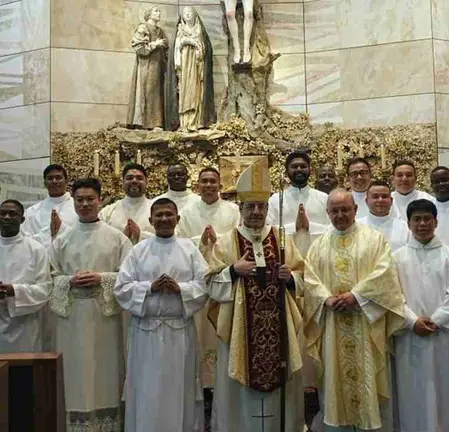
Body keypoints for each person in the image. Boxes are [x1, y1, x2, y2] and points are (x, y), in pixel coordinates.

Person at [205, 159, 307, 432]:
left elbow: (303, 277)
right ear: (241, 208)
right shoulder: (227, 242)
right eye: (250, 206)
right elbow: (210, 284)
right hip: (240, 331)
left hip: (278, 329)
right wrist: (233, 271)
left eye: (261, 207)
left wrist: (291, 279)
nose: (256, 212)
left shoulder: (282, 239)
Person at [305, 188, 405, 432]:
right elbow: (309, 279)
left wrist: (356, 296)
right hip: (332, 325)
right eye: (335, 211)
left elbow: (385, 274)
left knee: (368, 381)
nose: (340, 215)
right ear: (327, 213)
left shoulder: (374, 239)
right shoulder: (318, 246)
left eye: (345, 210)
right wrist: (327, 299)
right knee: (333, 383)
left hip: (365, 324)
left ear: (355, 210)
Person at [115, 198, 209, 432]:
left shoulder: (190, 250)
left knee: (180, 389)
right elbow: (121, 288)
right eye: (159, 215)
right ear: (151, 220)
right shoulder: (138, 251)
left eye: (169, 214)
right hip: (145, 335)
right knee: (147, 389)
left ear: (177, 219)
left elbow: (205, 285)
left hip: (180, 333)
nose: (164, 219)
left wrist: (181, 289)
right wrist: (150, 287)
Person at [49, 178, 134, 431]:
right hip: (72, 318)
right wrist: (69, 281)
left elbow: (129, 276)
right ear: (73, 201)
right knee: (74, 373)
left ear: (100, 200)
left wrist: (102, 278)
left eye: (90, 199)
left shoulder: (117, 239)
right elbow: (51, 276)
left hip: (104, 318)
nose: (85, 204)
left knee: (105, 373)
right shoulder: (63, 239)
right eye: (79, 200)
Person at [393, 199, 449, 432]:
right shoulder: (397, 258)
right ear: (408, 224)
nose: (423, 223)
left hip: (444, 338)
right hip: (410, 338)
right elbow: (393, 296)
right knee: (414, 395)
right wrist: (412, 321)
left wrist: (435, 321)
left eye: (427, 218)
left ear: (436, 222)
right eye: (417, 219)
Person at [176, 167, 240, 391]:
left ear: (220, 185)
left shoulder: (233, 210)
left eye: (213, 181)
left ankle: (224, 383)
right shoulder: (186, 212)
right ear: (197, 186)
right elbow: (180, 245)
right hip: (199, 281)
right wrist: (201, 242)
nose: (209, 185)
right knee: (200, 333)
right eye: (205, 181)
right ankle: (200, 385)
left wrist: (219, 241)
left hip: (225, 283)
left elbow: (239, 241)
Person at [0, 199, 51, 354]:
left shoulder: (36, 250)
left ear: (22, 219)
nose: (7, 217)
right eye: (3, 213)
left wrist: (14, 291)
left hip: (25, 327)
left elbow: (45, 289)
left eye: (12, 214)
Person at [171, 6, 215, 131]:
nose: (188, 15)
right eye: (185, 13)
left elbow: (204, 49)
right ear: (182, 17)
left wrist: (195, 45)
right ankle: (184, 122)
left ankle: (195, 121)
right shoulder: (180, 30)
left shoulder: (199, 30)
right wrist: (188, 41)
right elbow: (177, 47)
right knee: (185, 91)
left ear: (195, 15)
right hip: (184, 65)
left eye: (190, 13)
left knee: (196, 92)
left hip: (196, 66)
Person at [128, 6, 168, 130]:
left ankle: (156, 122)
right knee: (147, 92)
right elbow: (139, 48)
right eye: (156, 11)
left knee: (156, 94)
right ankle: (145, 122)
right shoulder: (143, 28)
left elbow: (165, 47)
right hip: (146, 66)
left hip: (158, 66)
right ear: (149, 14)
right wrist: (155, 44)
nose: (159, 13)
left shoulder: (160, 31)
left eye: (159, 11)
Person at [269, 150, 330, 229]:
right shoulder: (276, 200)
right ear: (287, 171)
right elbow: (269, 229)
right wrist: (295, 227)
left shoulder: (324, 198)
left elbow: (332, 228)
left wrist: (309, 226)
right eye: (294, 166)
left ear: (310, 170)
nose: (299, 169)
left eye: (303, 166)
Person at [21, 164, 78, 246]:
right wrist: (48, 232)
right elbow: (26, 241)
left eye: (58, 178)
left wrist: (61, 229)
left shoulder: (78, 207)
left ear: (66, 181)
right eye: (50, 178)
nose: (54, 181)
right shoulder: (32, 212)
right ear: (45, 183)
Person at [100, 163, 154, 244]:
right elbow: (98, 240)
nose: (134, 181)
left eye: (139, 178)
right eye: (129, 178)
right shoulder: (107, 212)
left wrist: (141, 235)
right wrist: (122, 238)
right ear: (123, 182)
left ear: (146, 182)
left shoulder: (157, 209)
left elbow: (168, 239)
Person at [357, 180, 410, 251]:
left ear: (391, 201)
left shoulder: (405, 228)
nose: (380, 200)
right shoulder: (356, 226)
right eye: (375, 197)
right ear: (366, 201)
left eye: (384, 196)